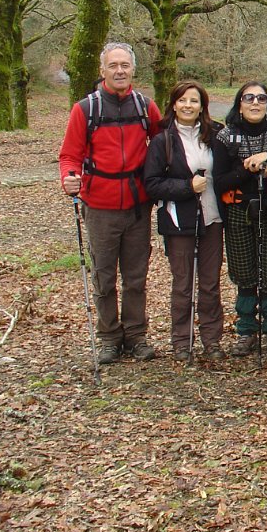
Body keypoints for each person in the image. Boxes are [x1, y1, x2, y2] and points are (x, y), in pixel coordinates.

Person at [59, 42, 162, 363]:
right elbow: (70, 154)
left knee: (136, 276)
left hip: (137, 205)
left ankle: (135, 335)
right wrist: (70, 177)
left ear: (133, 70)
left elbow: (162, 144)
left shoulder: (146, 107)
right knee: (104, 277)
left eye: (125, 65)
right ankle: (108, 337)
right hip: (100, 206)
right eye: (113, 65)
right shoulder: (85, 109)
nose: (119, 71)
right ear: (102, 70)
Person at [143, 81, 225, 361]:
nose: (188, 106)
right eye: (182, 100)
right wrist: (187, 187)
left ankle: (212, 340)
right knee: (183, 283)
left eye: (194, 101)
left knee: (210, 283)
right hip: (179, 221)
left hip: (213, 218)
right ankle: (182, 340)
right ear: (174, 104)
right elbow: (152, 183)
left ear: (202, 106)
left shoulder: (215, 134)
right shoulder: (162, 141)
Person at [213, 82, 267, 357]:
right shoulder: (225, 136)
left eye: (261, 98)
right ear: (240, 103)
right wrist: (249, 169)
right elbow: (219, 181)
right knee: (244, 272)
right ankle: (246, 329)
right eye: (249, 98)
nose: (255, 103)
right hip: (239, 211)